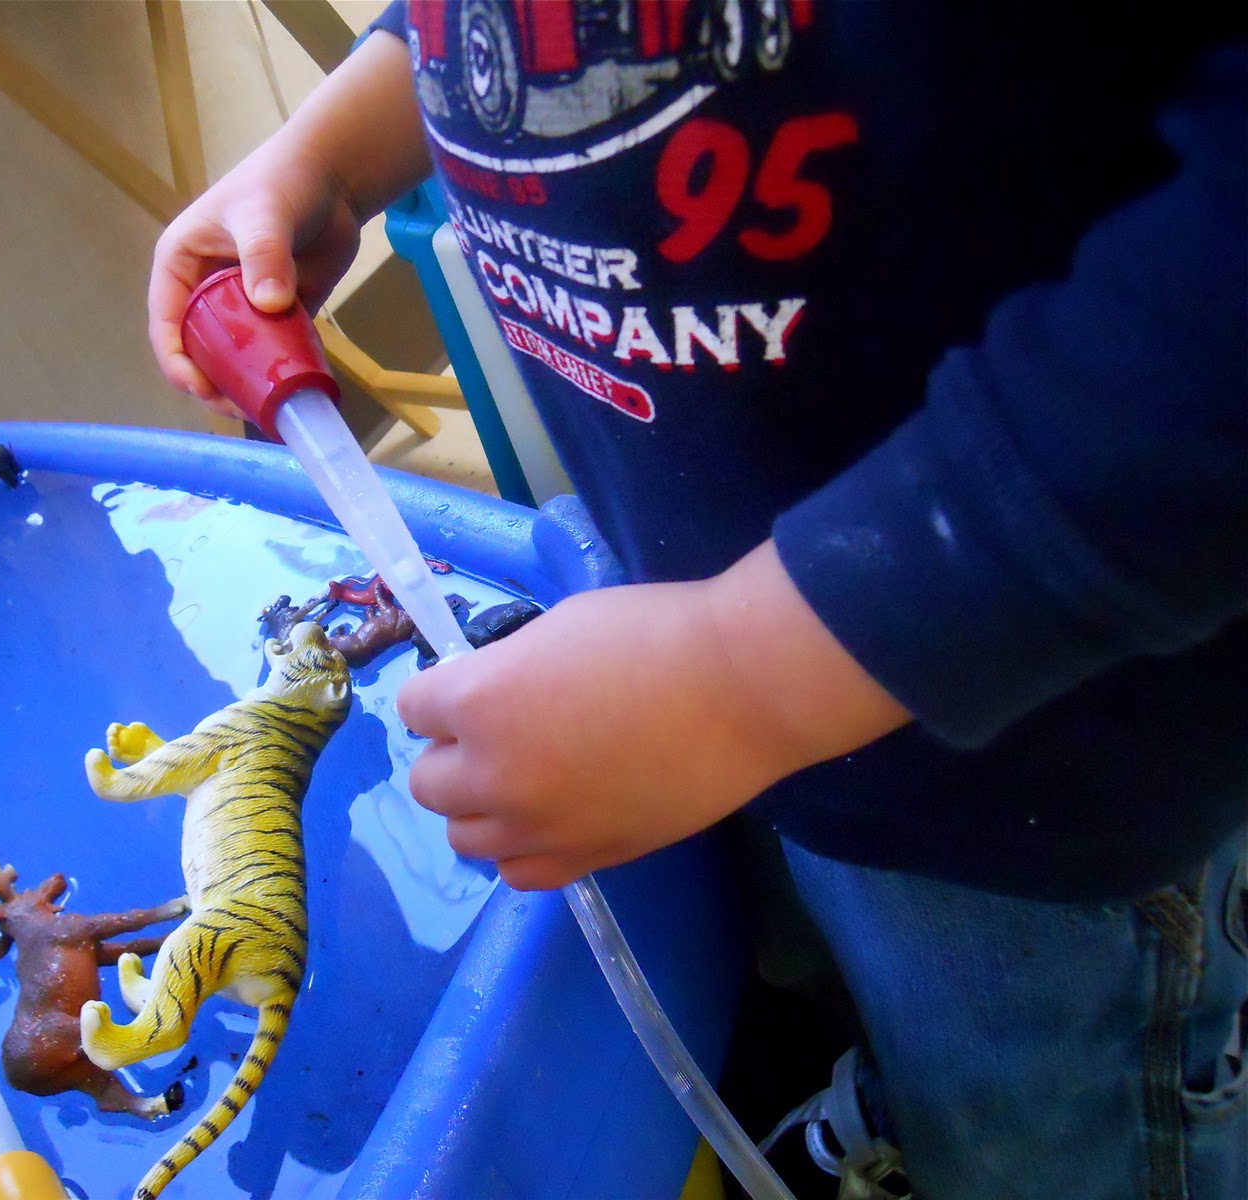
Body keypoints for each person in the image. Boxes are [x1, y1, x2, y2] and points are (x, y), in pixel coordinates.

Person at [146, 4, 1247, 1197]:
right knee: (876, 985)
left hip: (1022, 766)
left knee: (1042, 1113)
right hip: (732, 656)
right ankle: (911, 1100)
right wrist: (332, 151)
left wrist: (738, 678)